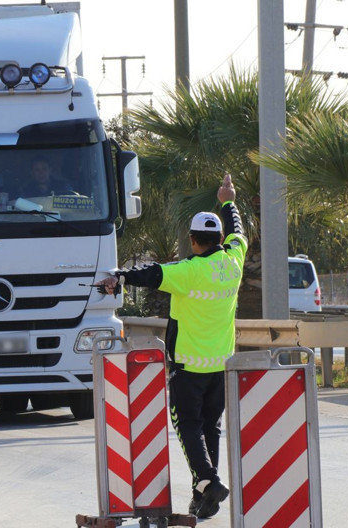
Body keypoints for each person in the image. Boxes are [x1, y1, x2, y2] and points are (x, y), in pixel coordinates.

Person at [96, 173, 246, 519]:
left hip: (187, 368)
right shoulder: (233, 261)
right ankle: (203, 493)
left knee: (187, 426)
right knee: (211, 427)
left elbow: (149, 274)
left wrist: (117, 278)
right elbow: (238, 231)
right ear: (219, 238)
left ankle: (208, 480)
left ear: (193, 241)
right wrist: (228, 200)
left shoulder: (188, 271)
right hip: (220, 365)